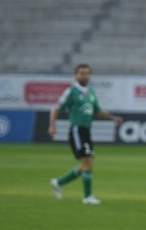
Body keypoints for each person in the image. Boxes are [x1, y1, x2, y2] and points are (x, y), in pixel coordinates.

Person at [48, 64, 124, 205]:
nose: (85, 75)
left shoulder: (91, 92)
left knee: (88, 163)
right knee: (87, 162)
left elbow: (98, 111)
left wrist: (113, 118)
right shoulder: (71, 91)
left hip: (86, 131)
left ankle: (58, 182)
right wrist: (52, 125)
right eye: (82, 73)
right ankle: (87, 197)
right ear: (76, 75)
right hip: (77, 130)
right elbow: (55, 108)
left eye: (87, 73)